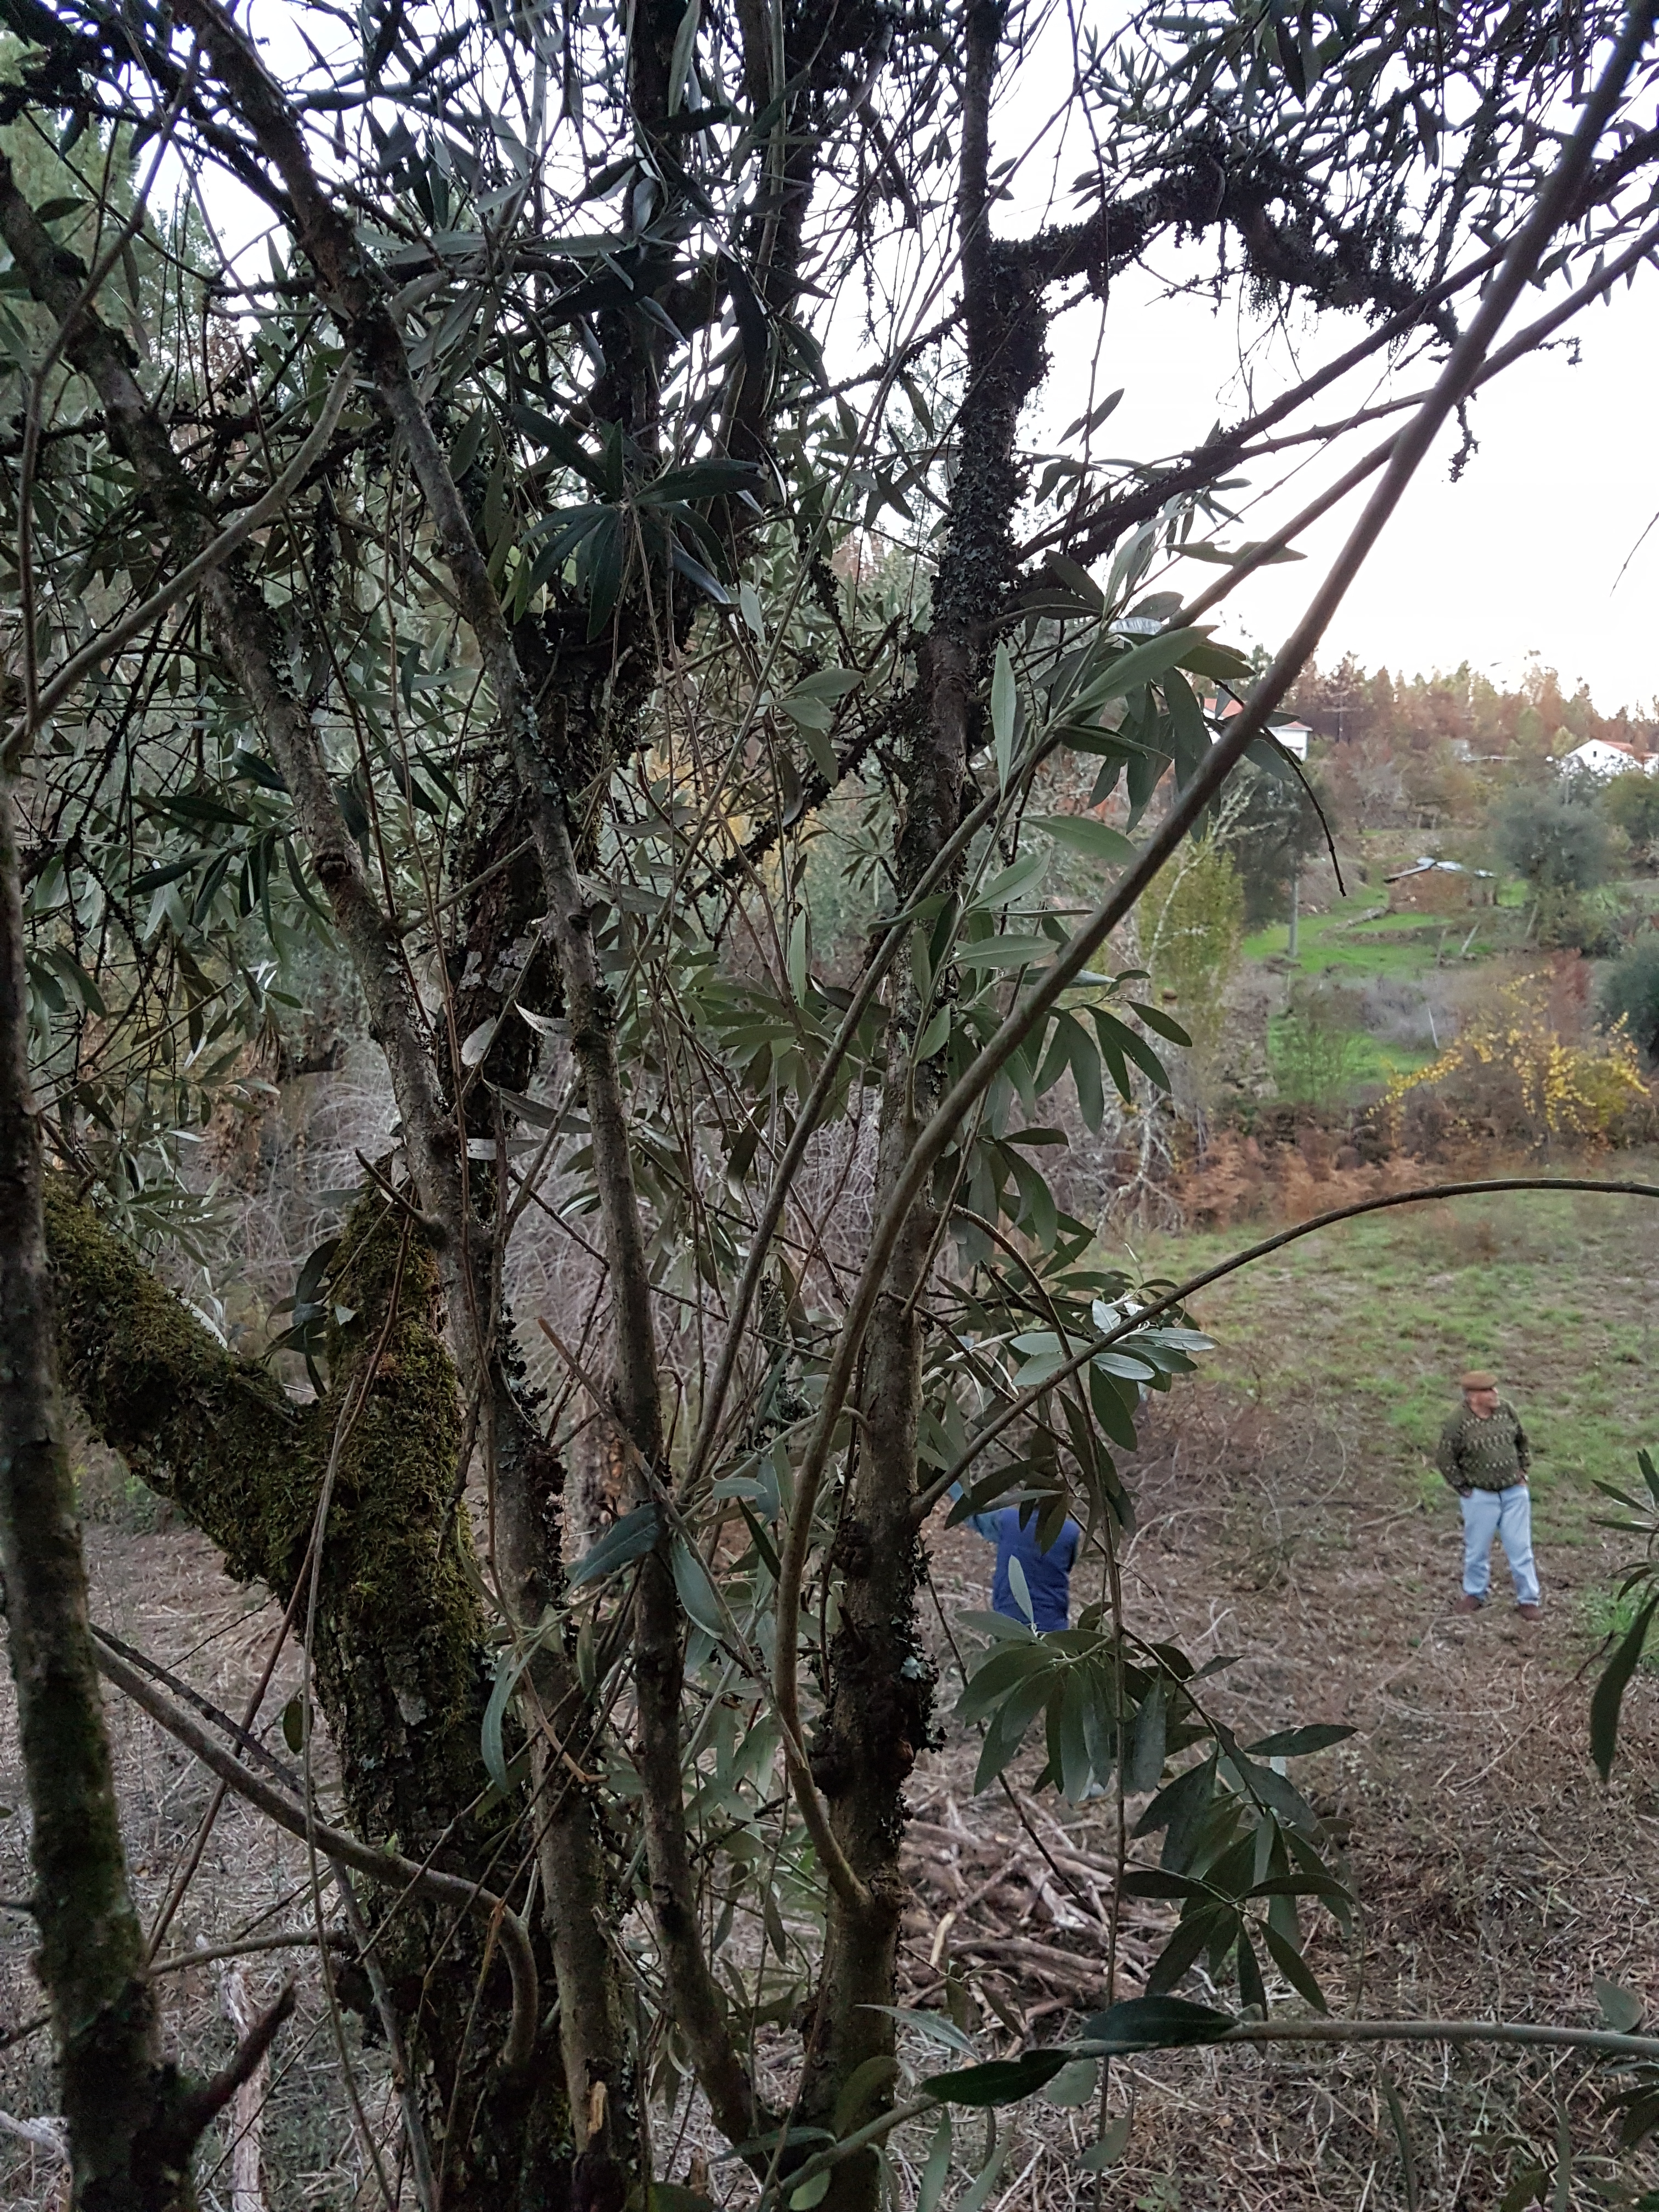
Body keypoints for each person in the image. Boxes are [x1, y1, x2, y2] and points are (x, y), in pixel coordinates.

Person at [1435, 1370, 1541, 1618]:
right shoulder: (1457, 1422)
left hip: (1514, 1493)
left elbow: (1521, 1441)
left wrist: (1524, 1471)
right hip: (1480, 1496)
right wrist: (1462, 1487)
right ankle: (1475, 1593)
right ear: (1473, 1397)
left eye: (1494, 1389)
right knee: (1477, 1549)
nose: (1496, 1394)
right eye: (1489, 1391)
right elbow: (1445, 1457)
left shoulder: (1506, 1411)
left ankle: (1528, 1599)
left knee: (1521, 1548)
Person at [961, 1497, 1081, 1632]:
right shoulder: (1070, 1532)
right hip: (1052, 1627)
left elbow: (973, 1514)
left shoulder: (1008, 1521)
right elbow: (1069, 1565)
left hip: (1008, 1623)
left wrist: (951, 1484)